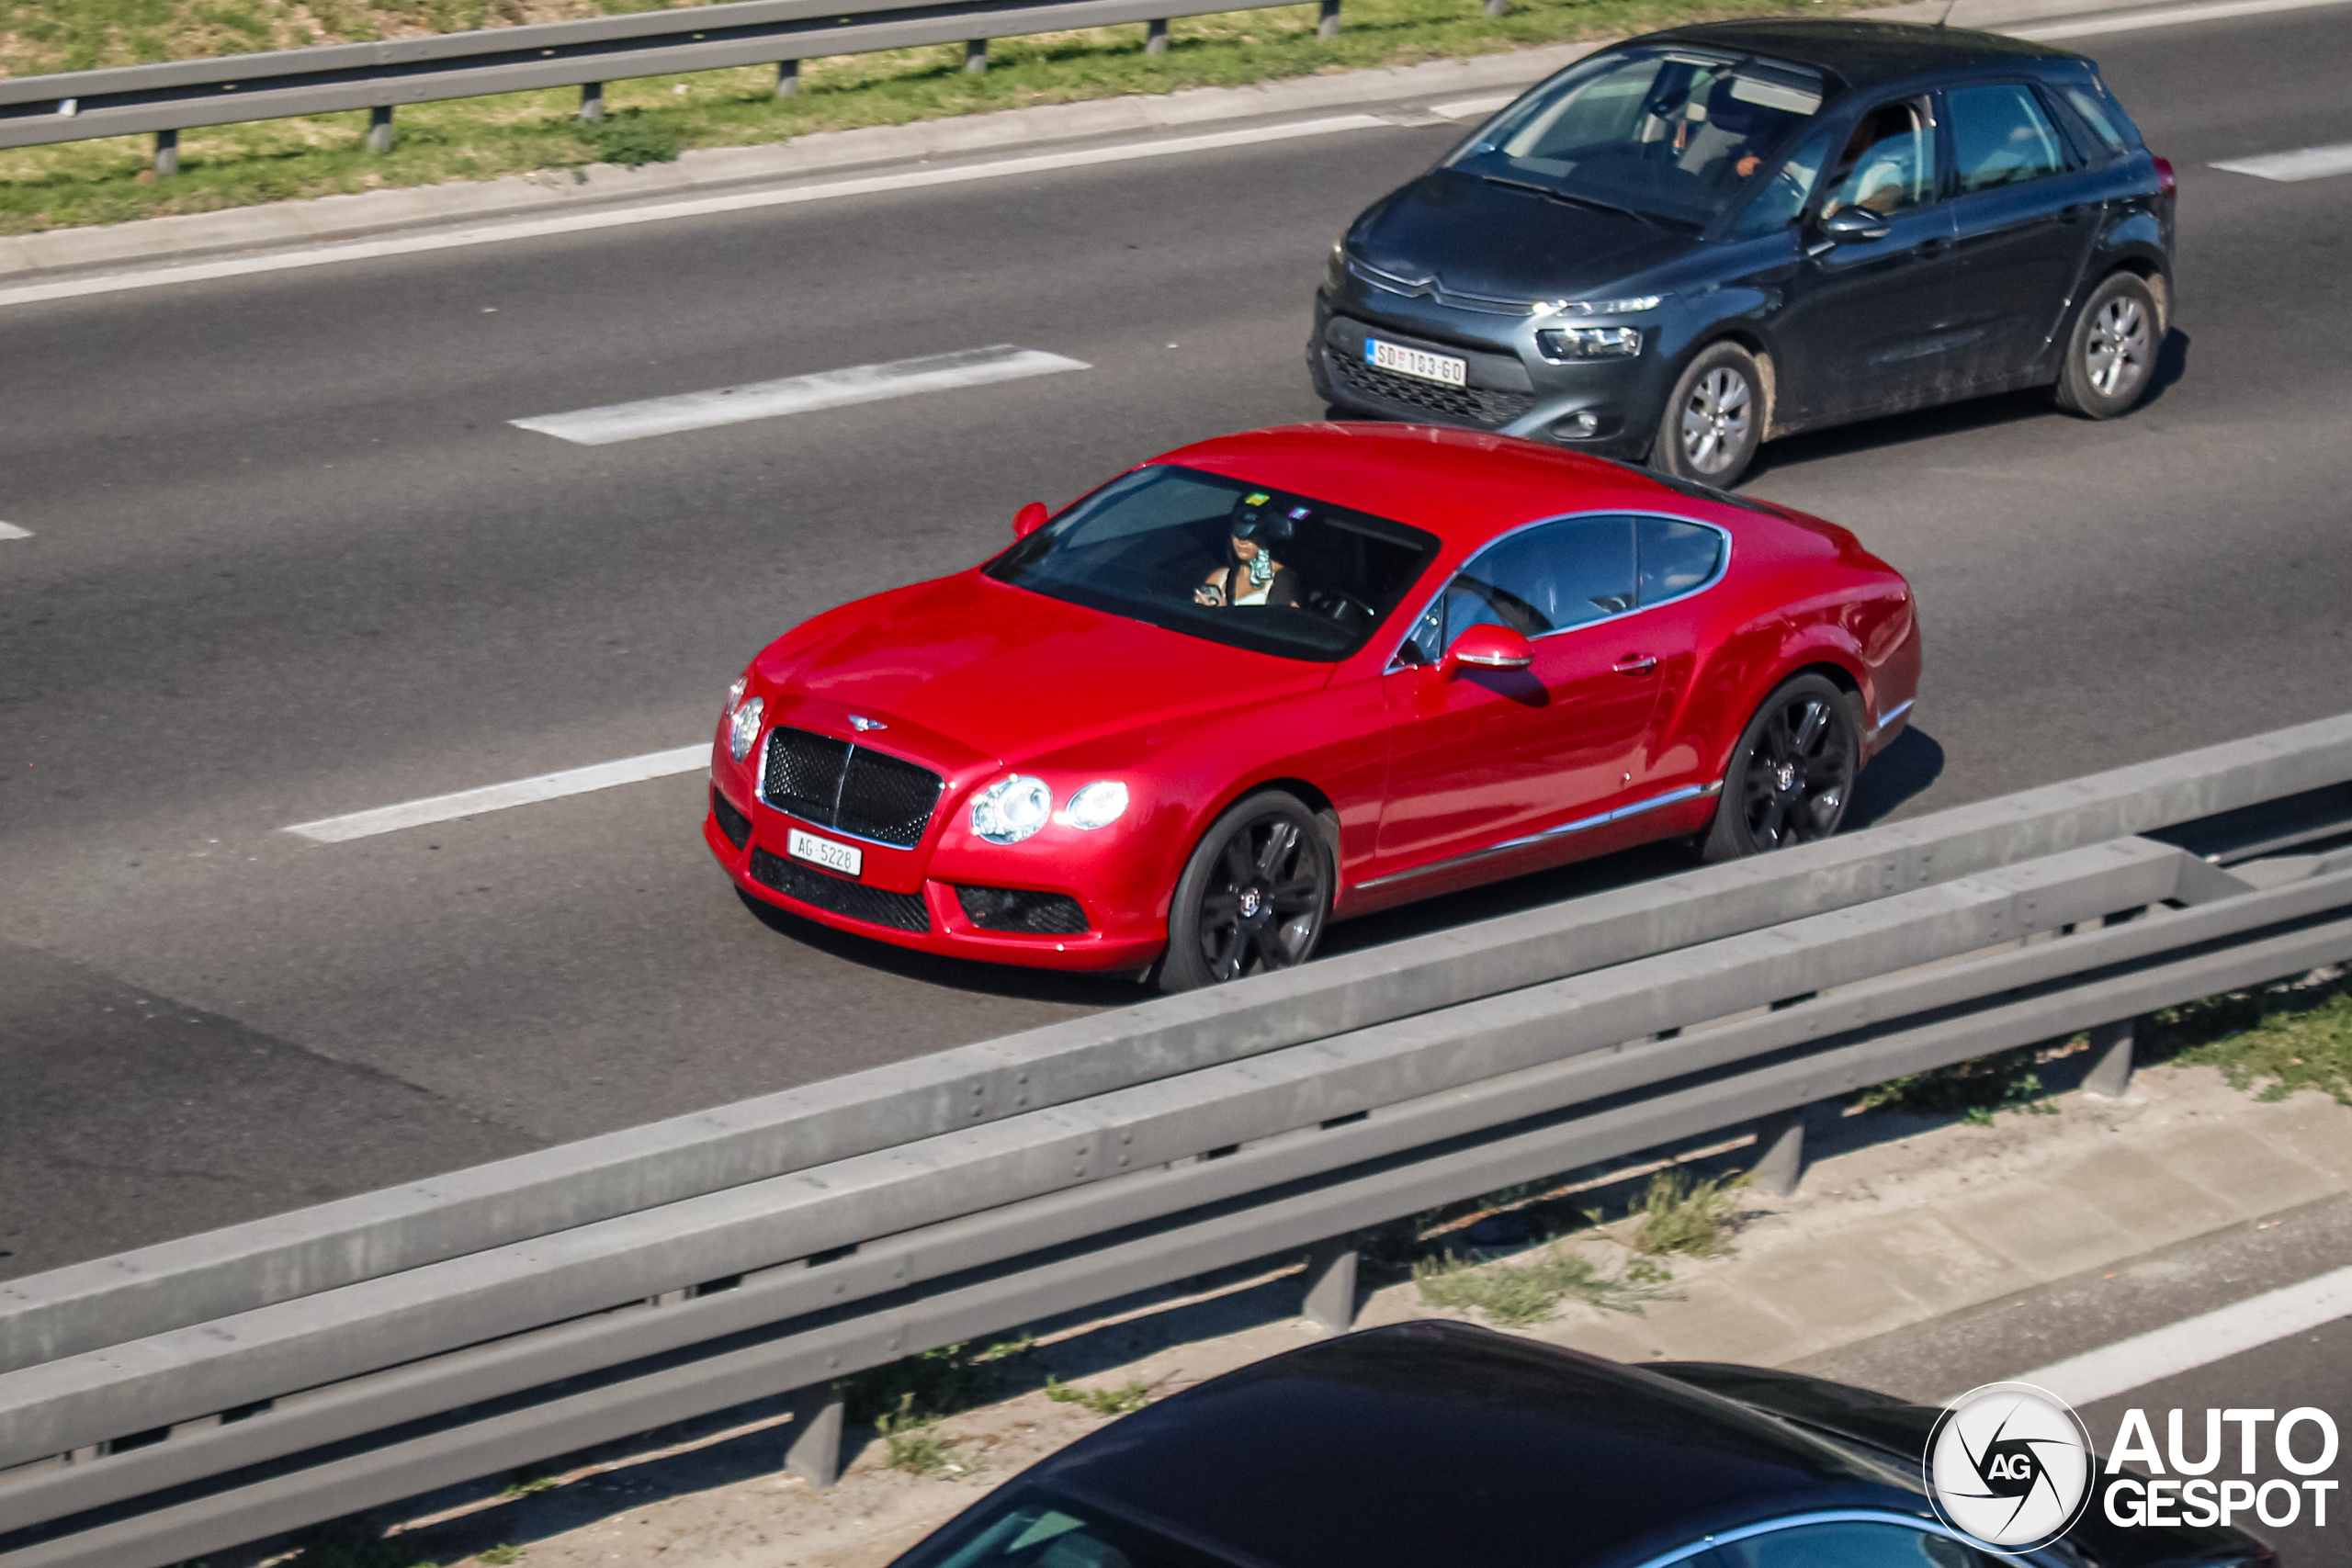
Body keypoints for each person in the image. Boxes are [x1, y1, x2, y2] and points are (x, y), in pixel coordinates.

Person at [1193, 493, 1304, 609]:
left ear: (1268, 535)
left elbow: (1280, 624)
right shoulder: (1219, 578)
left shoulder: (1282, 580)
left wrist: (1224, 615)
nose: (1242, 541)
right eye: (1237, 533)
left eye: (1253, 535)